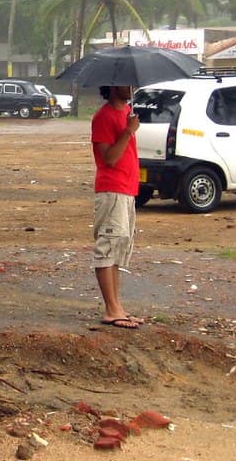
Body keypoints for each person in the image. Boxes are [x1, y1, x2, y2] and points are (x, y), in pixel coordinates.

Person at [90, 85, 143, 329]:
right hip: (112, 189)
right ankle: (111, 309)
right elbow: (109, 158)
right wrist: (128, 132)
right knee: (107, 247)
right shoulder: (103, 117)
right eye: (125, 81)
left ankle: (117, 306)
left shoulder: (127, 112)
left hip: (127, 190)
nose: (130, 86)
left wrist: (129, 128)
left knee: (118, 250)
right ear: (112, 86)